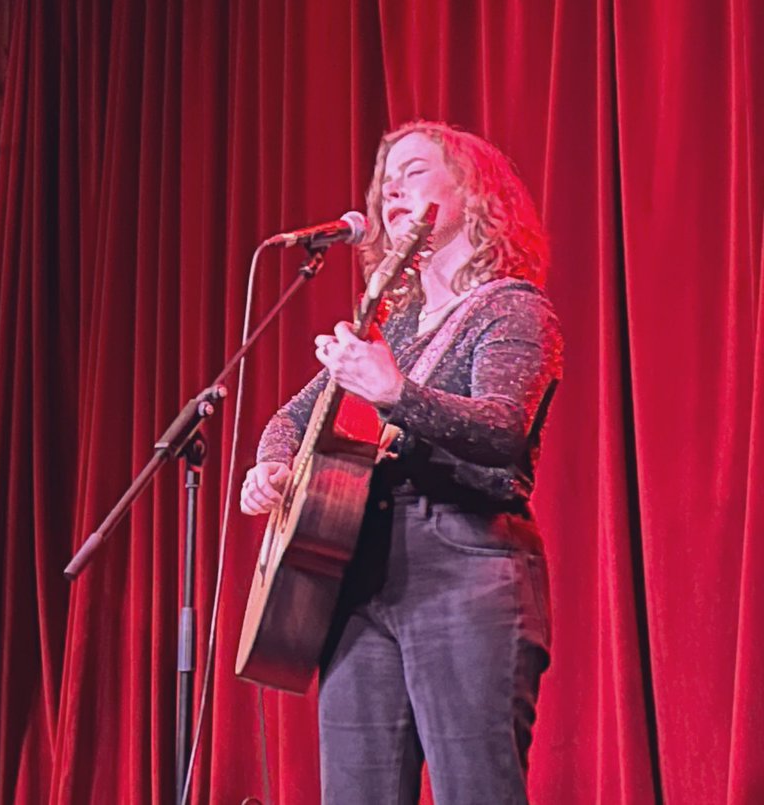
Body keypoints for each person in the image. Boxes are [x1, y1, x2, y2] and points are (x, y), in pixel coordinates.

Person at [240, 121, 562, 804]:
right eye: (385, 176)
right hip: (359, 584)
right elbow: (286, 421)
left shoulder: (512, 309)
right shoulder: (394, 333)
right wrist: (272, 468)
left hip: (466, 572)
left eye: (413, 171)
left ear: (474, 193)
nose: (389, 187)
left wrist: (395, 391)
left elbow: (504, 428)